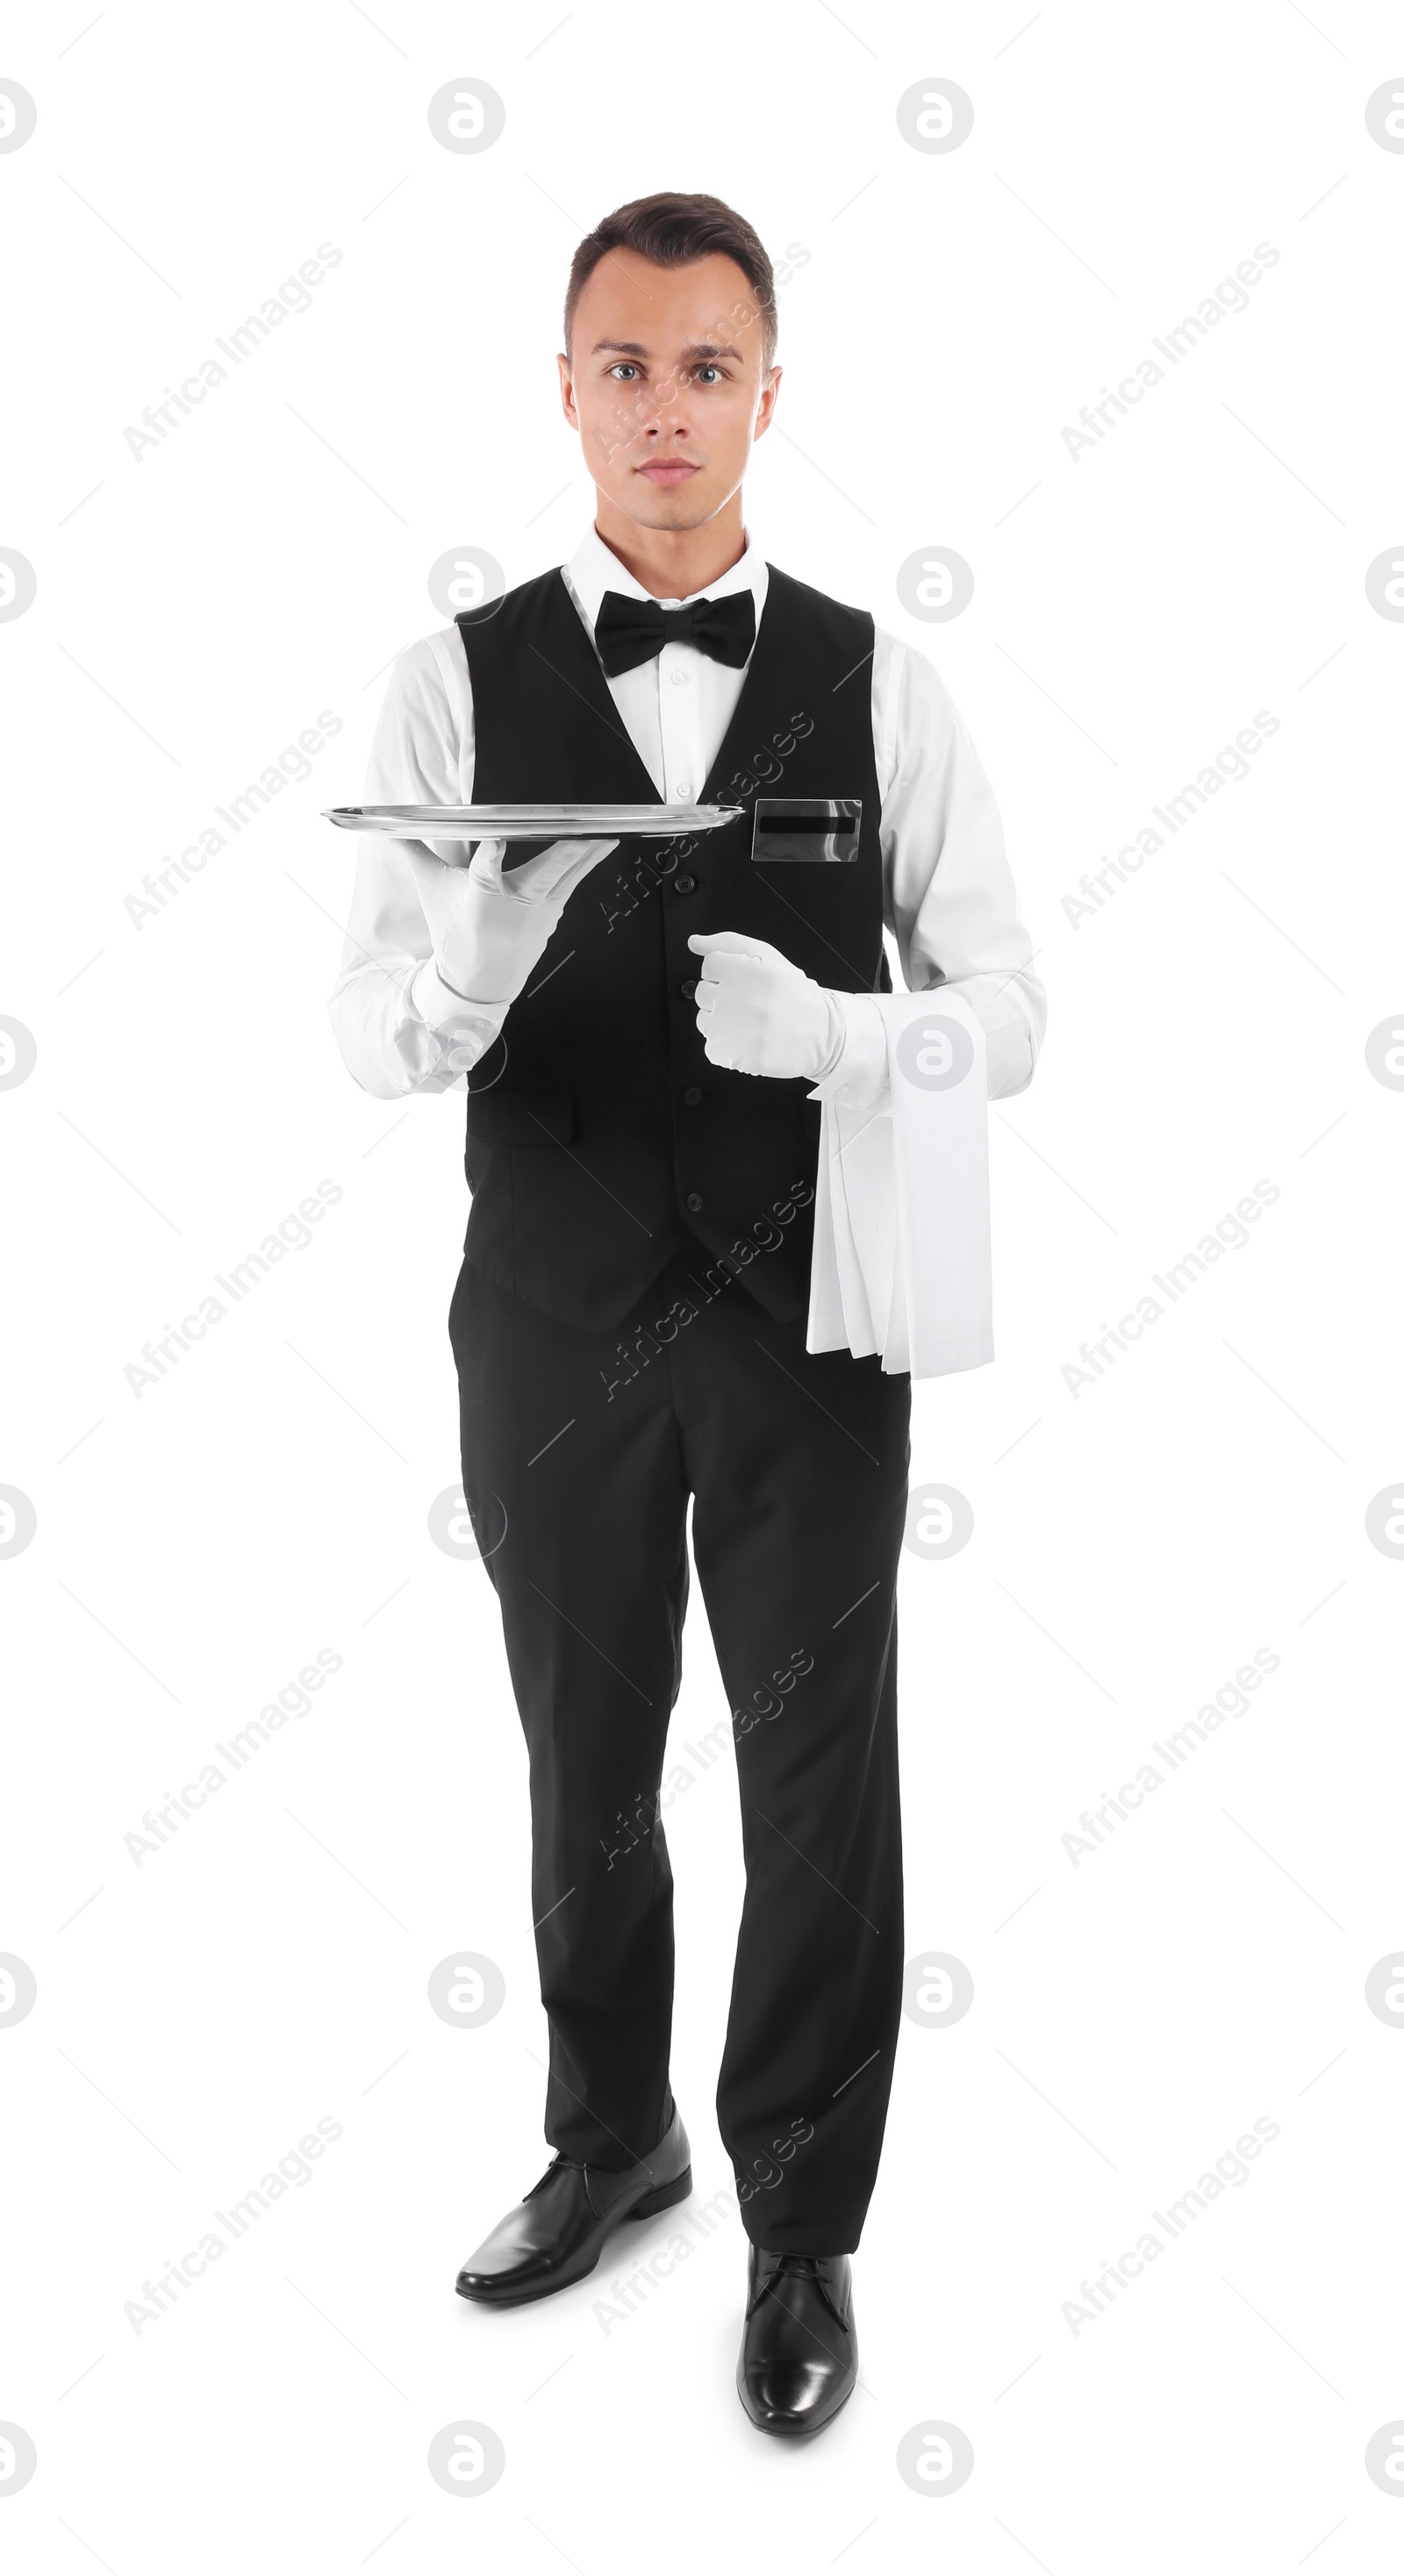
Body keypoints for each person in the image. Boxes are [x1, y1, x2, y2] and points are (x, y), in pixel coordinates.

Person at [329, 191, 1044, 2438]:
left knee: (818, 1774)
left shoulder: (876, 677)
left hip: (808, 1325)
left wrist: (843, 1031)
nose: (662, 410)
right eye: (621, 367)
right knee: (587, 1751)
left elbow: (1008, 1010)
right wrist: (474, 952)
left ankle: (799, 2227)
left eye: (705, 367)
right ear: (565, 388)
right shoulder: (448, 681)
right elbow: (362, 1034)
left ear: (765, 393)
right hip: (540, 1319)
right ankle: (605, 2134)